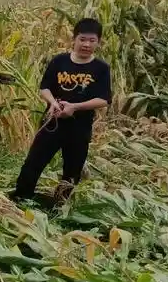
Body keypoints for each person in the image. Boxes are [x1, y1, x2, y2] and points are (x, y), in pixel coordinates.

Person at [10, 18, 112, 204]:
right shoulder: (60, 61)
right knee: (34, 161)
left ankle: (61, 204)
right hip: (52, 122)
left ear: (98, 42)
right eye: (82, 39)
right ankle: (21, 197)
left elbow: (103, 99)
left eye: (92, 40)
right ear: (73, 39)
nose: (86, 44)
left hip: (79, 127)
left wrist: (75, 107)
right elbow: (44, 88)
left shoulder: (101, 68)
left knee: (73, 168)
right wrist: (53, 103)